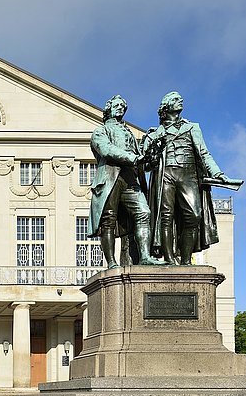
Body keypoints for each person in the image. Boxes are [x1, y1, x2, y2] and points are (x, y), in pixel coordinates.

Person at [143, 91, 227, 265]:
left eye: (179, 98)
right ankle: (170, 259)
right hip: (165, 174)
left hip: (188, 175)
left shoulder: (192, 127)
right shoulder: (153, 134)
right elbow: (146, 165)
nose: (180, 100)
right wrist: (154, 148)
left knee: (194, 216)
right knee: (166, 216)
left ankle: (187, 260)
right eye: (174, 99)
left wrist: (217, 173)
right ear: (165, 107)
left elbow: (204, 153)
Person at [88, 95, 162, 268]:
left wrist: (149, 159)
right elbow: (107, 150)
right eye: (117, 105)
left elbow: (140, 161)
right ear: (109, 108)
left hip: (130, 177)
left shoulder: (129, 132)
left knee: (144, 212)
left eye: (123, 106)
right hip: (110, 177)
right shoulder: (100, 131)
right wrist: (134, 158)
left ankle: (144, 256)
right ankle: (111, 263)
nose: (121, 108)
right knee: (109, 220)